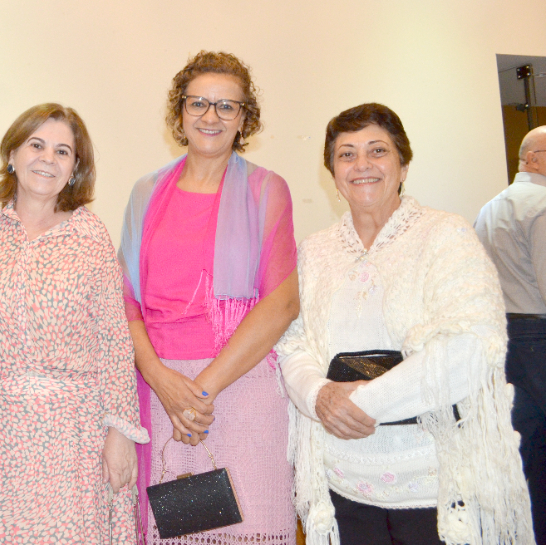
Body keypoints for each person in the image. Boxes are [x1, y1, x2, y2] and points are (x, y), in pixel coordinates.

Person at [278, 103, 533, 545]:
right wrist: (318, 397)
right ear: (331, 172)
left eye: (377, 150)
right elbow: (292, 343)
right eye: (346, 154)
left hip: (433, 482)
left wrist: (367, 403)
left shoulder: (445, 235)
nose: (362, 165)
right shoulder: (313, 252)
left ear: (404, 164)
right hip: (342, 480)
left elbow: (472, 343)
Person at [119, 51, 299, 544]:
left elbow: (281, 303)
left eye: (226, 106)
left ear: (245, 118)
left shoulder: (267, 190)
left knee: (249, 530)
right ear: (180, 112)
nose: (210, 116)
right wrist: (164, 381)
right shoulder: (145, 192)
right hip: (161, 392)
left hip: (239, 389)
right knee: (178, 532)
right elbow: (125, 300)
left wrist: (200, 392)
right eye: (198, 103)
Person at [0, 103, 147, 544]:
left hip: (72, 435)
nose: (48, 158)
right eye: (36, 145)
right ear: (12, 154)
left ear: (75, 168)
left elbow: (114, 341)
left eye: (63, 152)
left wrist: (121, 433)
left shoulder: (89, 235)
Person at [475, 124, 546, 544]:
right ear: (533, 157)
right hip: (538, 339)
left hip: (503, 341)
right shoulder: (541, 203)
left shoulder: (491, 207)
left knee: (525, 456)